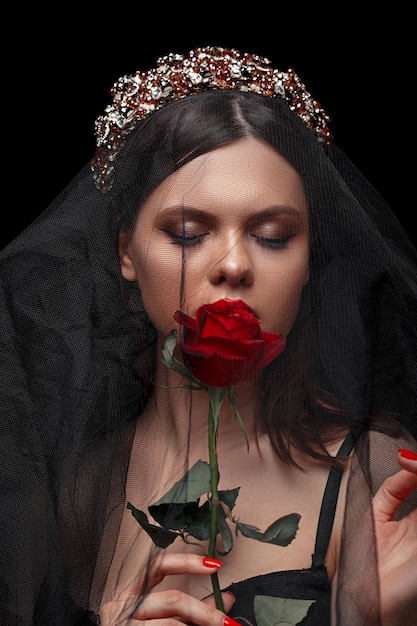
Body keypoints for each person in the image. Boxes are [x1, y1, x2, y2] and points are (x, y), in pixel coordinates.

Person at [1, 46, 416, 626]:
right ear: (127, 252)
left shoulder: (373, 480)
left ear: (309, 255)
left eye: (272, 235)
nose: (233, 265)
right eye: (189, 232)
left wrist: (384, 618)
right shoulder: (69, 491)